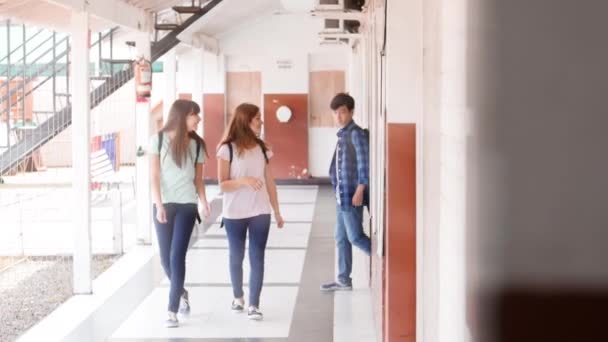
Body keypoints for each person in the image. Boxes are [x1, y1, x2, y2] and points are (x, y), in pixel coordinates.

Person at [217, 103, 284, 321]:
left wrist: (276, 210)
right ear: (245, 121)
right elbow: (222, 185)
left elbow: (269, 181)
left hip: (260, 211)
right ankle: (238, 297)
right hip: (234, 212)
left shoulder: (263, 148)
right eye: (257, 118)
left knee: (257, 257)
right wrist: (243, 181)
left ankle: (254, 304)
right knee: (236, 257)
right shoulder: (226, 149)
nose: (261, 121)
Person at [149, 99, 211, 328]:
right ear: (182, 116)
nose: (199, 119)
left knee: (177, 257)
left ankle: (172, 308)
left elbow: (198, 179)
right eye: (195, 115)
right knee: (166, 259)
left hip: (187, 205)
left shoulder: (197, 145)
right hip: (164, 204)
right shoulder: (157, 141)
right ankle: (182, 292)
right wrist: (159, 205)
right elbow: (154, 176)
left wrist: (203, 201)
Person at [321, 92, 371, 291]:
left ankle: (385, 259)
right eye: (335, 113)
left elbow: (363, 164)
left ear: (351, 112)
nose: (338, 117)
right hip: (341, 195)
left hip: (351, 196)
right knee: (341, 237)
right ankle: (343, 279)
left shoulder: (355, 134)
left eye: (342, 112)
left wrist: (360, 189)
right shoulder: (342, 134)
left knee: (355, 237)